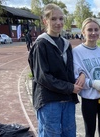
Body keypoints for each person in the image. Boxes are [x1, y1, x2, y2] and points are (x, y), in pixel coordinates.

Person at [28, 3, 82, 137]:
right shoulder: (41, 44)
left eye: (61, 18)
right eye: (53, 19)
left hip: (67, 100)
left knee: (69, 134)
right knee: (50, 134)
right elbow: (43, 77)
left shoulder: (66, 44)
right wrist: (70, 88)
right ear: (45, 21)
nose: (58, 22)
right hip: (49, 100)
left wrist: (82, 74)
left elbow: (70, 70)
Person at [72, 17, 100, 137]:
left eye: (96, 29)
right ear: (83, 32)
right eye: (90, 30)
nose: (93, 33)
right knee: (90, 131)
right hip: (89, 98)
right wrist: (92, 83)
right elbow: (77, 77)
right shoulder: (77, 52)